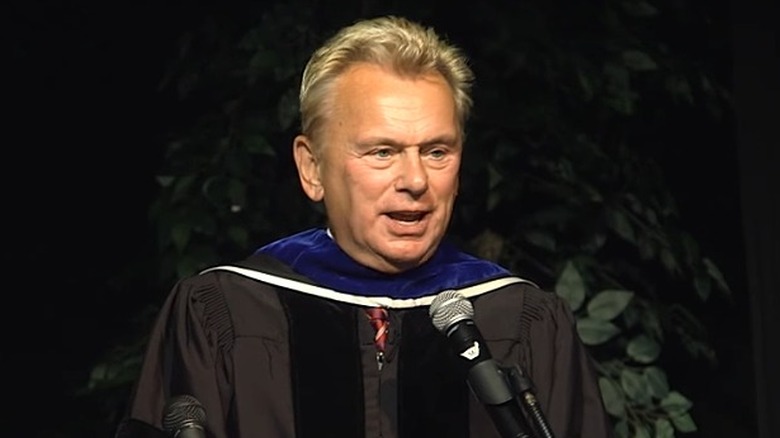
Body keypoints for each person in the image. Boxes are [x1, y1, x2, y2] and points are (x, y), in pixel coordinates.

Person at [115, 15, 612, 438]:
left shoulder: (520, 318)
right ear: (312, 169)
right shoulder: (225, 312)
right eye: (382, 152)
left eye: (437, 151)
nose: (416, 180)